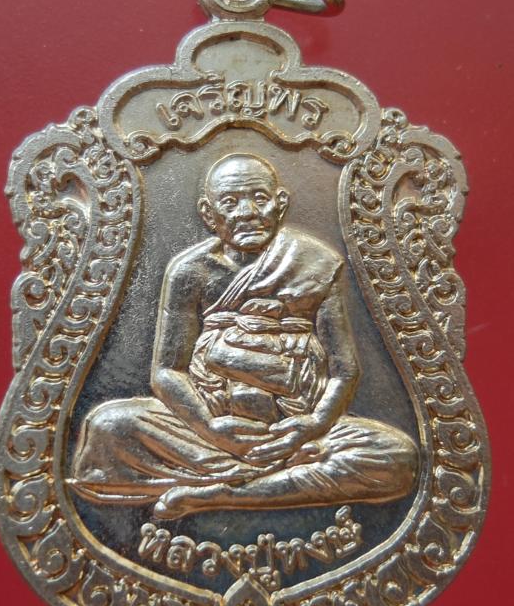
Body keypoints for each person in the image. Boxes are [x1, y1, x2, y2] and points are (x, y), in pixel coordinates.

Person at [69, 153, 417, 518]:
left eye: (259, 198)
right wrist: (211, 428)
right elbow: (168, 371)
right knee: (108, 428)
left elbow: (344, 370)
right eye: (231, 203)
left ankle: (222, 495)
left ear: (280, 204)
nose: (247, 212)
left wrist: (313, 425)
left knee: (398, 456)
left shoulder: (316, 263)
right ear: (208, 214)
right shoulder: (191, 271)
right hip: (209, 429)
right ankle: (276, 480)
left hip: (294, 427)